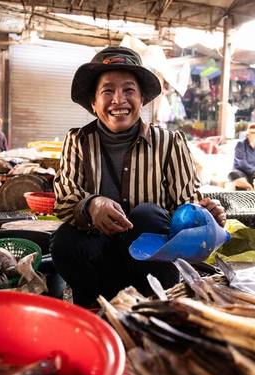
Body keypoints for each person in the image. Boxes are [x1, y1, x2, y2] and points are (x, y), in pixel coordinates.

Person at [51, 46, 226, 308]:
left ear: (142, 98)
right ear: (93, 102)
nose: (118, 99)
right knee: (64, 240)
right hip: (98, 264)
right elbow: (65, 198)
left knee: (147, 214)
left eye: (129, 90)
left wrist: (206, 216)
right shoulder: (79, 141)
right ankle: (93, 308)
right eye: (107, 91)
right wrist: (92, 205)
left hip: (150, 264)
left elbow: (186, 205)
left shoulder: (169, 142)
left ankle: (150, 306)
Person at [228, 123, 255, 191]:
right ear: (249, 135)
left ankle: (253, 189)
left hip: (253, 173)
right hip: (240, 172)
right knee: (233, 174)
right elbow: (242, 163)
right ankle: (249, 187)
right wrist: (254, 171)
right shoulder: (240, 145)